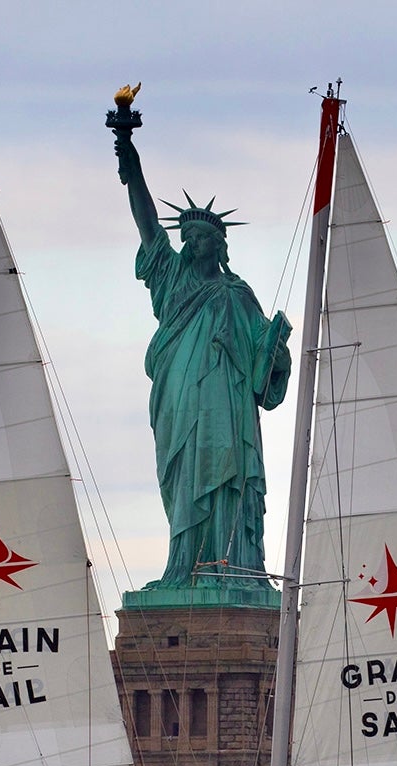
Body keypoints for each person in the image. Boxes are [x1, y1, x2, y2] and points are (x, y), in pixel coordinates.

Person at [112, 125, 291, 596]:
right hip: (179, 400)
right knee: (184, 478)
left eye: (200, 238)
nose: (191, 243)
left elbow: (262, 369)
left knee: (227, 478)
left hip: (226, 410)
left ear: (219, 245)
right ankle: (184, 567)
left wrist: (277, 348)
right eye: (186, 237)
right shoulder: (170, 281)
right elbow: (148, 225)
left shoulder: (237, 294)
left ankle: (231, 565)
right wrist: (133, 171)